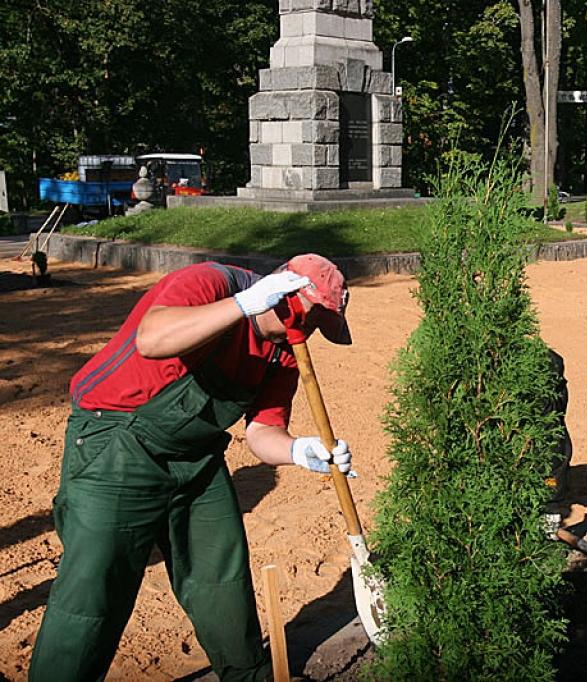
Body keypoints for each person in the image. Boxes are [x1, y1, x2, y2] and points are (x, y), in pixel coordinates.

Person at [30, 254, 355, 681]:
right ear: (284, 293)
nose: (308, 333)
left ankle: (247, 675)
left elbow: (262, 431)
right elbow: (152, 338)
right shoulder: (210, 282)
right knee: (95, 589)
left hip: (196, 456)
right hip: (116, 440)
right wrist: (243, 304)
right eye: (311, 319)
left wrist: (298, 451)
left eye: (320, 328)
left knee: (220, 575)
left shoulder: (285, 356)